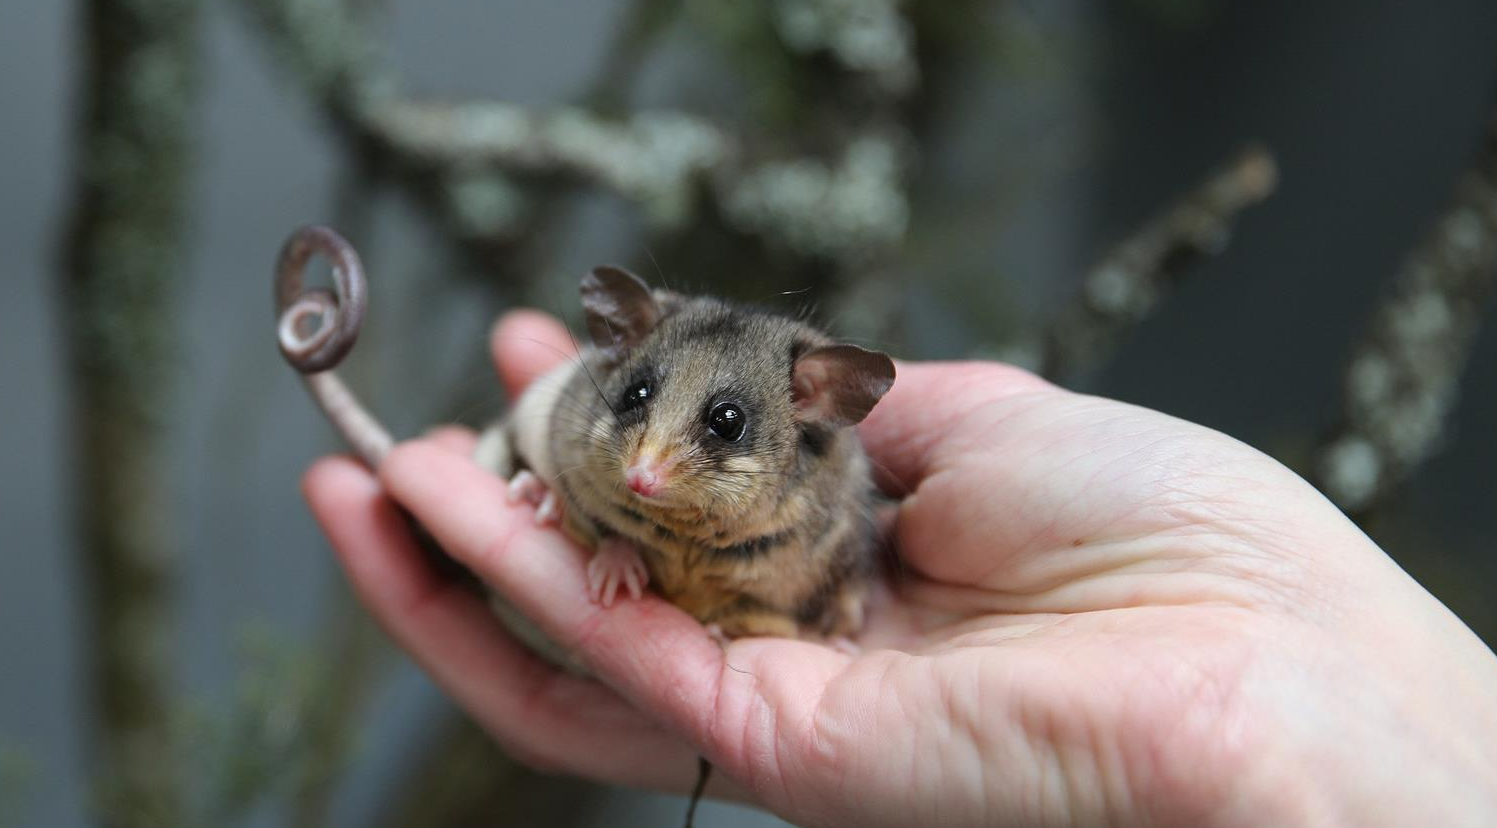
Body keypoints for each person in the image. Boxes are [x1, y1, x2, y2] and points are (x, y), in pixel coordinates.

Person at [303, 309, 1497, 827]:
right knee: (547, 459)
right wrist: (595, 517)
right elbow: (590, 437)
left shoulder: (825, 484)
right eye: (645, 412)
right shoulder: (613, 421)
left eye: (718, 433)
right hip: (575, 494)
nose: (656, 468)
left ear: (818, 407)